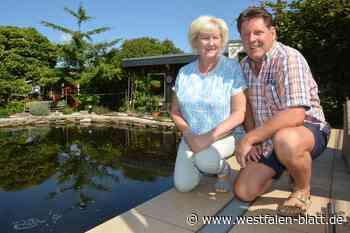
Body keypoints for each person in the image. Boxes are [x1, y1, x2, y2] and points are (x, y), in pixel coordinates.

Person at [233, 7, 331, 216]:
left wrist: (249, 138)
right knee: (243, 191)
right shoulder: (243, 67)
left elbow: (296, 113)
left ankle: (302, 189)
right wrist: (256, 142)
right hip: (268, 139)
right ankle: (285, 165)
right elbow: (248, 108)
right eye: (245, 34)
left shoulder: (288, 58)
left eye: (258, 32)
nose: (252, 39)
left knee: (286, 141)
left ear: (273, 33)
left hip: (306, 129)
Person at [171, 15, 247, 193]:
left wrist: (208, 138)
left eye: (216, 37)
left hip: (225, 135)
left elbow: (239, 113)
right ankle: (201, 165)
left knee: (206, 160)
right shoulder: (184, 72)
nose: (211, 43)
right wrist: (189, 135)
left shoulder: (232, 69)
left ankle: (223, 170)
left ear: (222, 41)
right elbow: (175, 111)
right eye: (205, 38)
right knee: (183, 186)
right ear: (195, 41)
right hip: (192, 136)